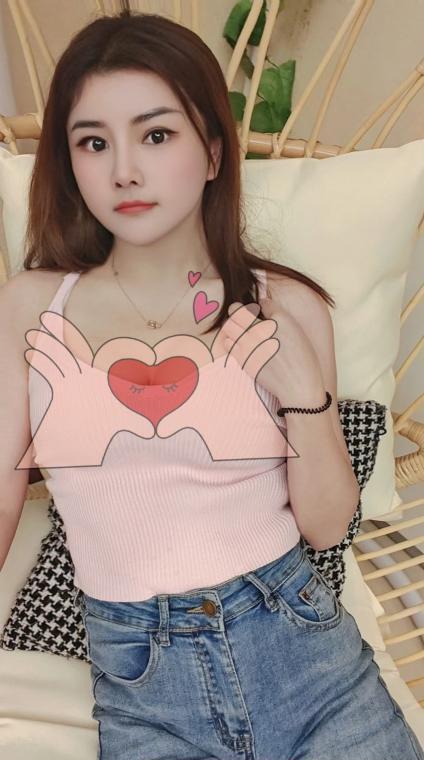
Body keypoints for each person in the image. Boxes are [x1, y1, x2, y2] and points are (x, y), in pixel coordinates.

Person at [1, 8, 423, 760]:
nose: (124, 170)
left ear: (214, 153)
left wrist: (304, 390)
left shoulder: (286, 305)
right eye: (93, 142)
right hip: (142, 684)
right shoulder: (33, 307)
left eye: (156, 135)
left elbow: (327, 526)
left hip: (305, 652)